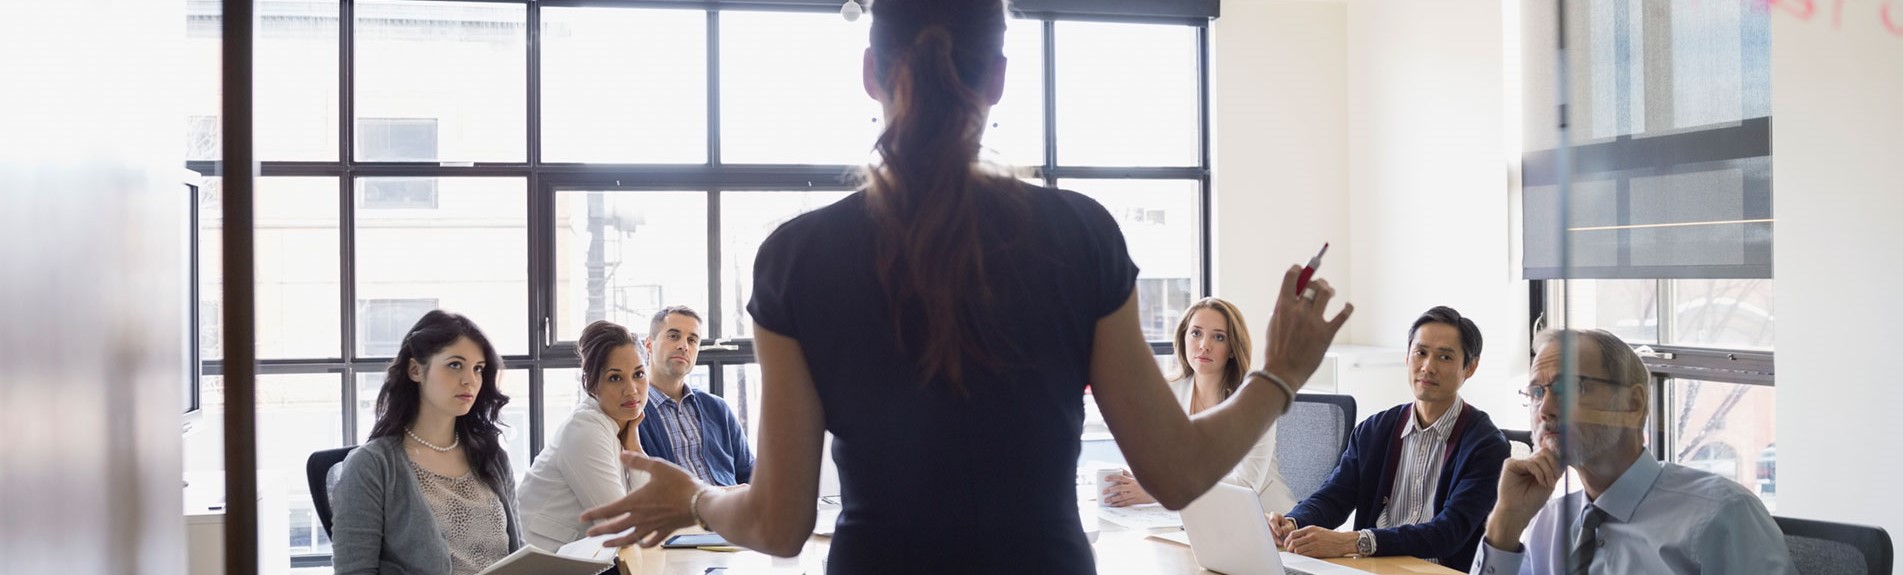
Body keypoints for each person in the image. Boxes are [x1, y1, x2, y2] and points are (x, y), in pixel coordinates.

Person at [578, 0, 1353, 572]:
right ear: (1001, 80)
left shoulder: (795, 256)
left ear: (870, 73)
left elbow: (780, 523)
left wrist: (693, 498)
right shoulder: (1078, 234)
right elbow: (1177, 469)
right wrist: (1280, 371)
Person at [1472, 329, 1794, 574]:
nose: (1546, 408)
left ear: (1633, 403)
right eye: (1536, 392)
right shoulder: (1547, 522)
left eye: (1569, 387)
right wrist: (1506, 520)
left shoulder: (1720, 515)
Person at [1267, 306, 1509, 571]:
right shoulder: (1375, 429)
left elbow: (1448, 533)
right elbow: (1334, 497)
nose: (1428, 367)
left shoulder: (1486, 446)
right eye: (1421, 352)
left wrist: (1353, 542)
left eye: (1445, 357)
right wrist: (1293, 523)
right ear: (1407, 357)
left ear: (1470, 367)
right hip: (1374, 567)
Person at [331, 310, 521, 575]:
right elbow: (355, 571)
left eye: (478, 368)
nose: (470, 380)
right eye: (455, 364)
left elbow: (519, 553)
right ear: (415, 370)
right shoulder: (372, 466)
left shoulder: (492, 456)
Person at [1101, 297, 1299, 514]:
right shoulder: (1169, 391)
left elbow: (1246, 485)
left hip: (1267, 523)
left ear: (1232, 348)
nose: (1205, 345)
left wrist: (1160, 490)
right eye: (1196, 333)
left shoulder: (1256, 398)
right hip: (1192, 520)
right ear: (1184, 338)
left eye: (1218, 337)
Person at [515, 320, 653, 550]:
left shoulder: (617, 427)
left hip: (575, 559)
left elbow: (646, 511)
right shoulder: (585, 429)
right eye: (615, 378)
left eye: (638, 374)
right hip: (535, 563)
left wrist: (634, 447)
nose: (631, 389)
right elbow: (621, 526)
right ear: (592, 386)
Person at [635, 305, 754, 486]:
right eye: (673, 336)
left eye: (692, 340)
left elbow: (750, 473)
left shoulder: (717, 408)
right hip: (677, 512)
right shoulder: (633, 411)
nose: (684, 346)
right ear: (649, 344)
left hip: (732, 511)